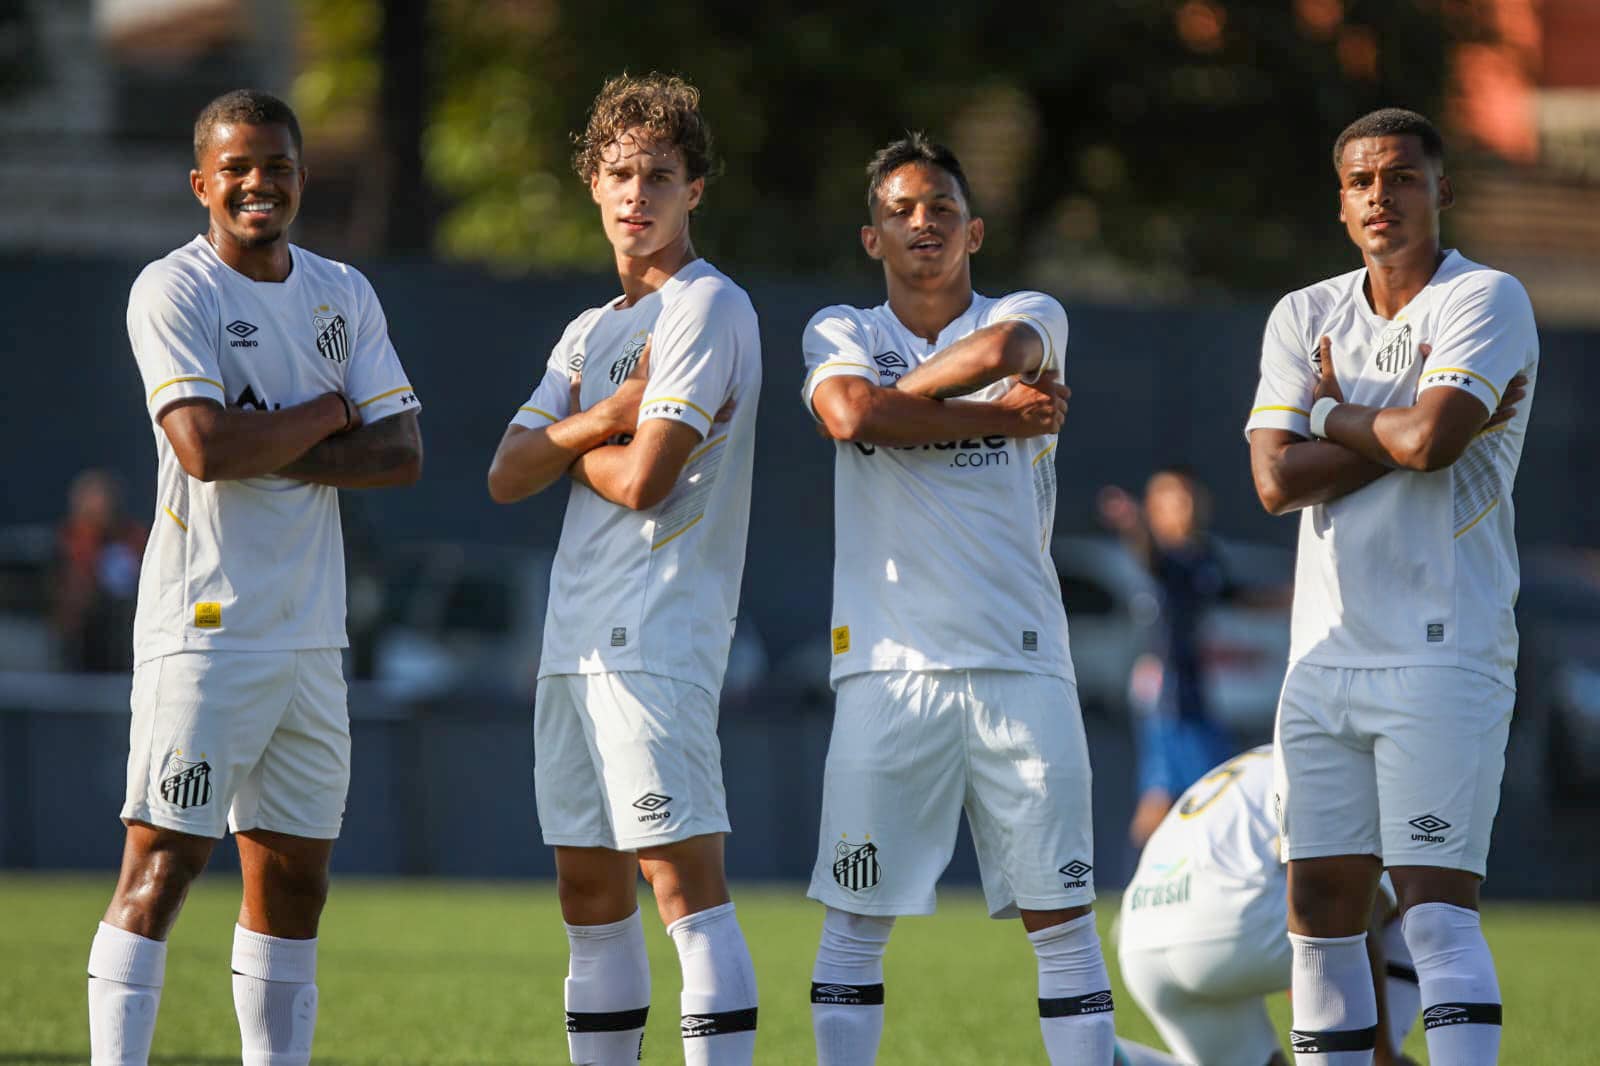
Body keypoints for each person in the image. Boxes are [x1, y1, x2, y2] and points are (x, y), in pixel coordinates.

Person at [90, 89, 423, 1066]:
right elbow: (200, 445)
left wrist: (272, 431)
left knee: (294, 883)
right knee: (163, 866)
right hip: (206, 631)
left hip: (311, 637)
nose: (256, 184)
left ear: (300, 177)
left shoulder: (342, 292)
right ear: (203, 182)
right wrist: (327, 411)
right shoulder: (174, 290)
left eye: (274, 165)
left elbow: (401, 451)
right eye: (235, 168)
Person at [802, 134, 1113, 1066]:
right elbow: (851, 415)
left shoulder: (1030, 312)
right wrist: (990, 414)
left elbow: (1004, 349)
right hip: (886, 672)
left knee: (1063, 927)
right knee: (854, 926)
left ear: (973, 229)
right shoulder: (837, 329)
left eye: (939, 207)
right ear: (872, 238)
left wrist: (902, 404)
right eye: (900, 210)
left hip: (1023, 661)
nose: (921, 223)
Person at [1244, 108, 1534, 1065]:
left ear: (1440, 191)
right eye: (1363, 182)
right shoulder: (1302, 313)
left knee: (1435, 913)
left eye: (1403, 178)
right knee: (1319, 910)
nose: (1382, 197)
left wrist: (1329, 408)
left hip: (1443, 653)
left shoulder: (1486, 297)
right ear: (1340, 203)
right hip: (1323, 657)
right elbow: (1277, 480)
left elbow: (1434, 440)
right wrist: (1391, 426)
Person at [487, 73, 761, 1066]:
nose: (634, 193)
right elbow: (505, 473)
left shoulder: (707, 306)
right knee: (587, 892)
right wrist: (605, 415)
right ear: (591, 187)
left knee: (680, 884)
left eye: (657, 174)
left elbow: (647, 482)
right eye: (617, 173)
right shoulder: (588, 331)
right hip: (573, 640)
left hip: (654, 633)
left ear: (695, 188)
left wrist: (572, 444)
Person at [1118, 747, 1421, 1066]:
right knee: (1413, 897)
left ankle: (1103, 1052)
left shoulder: (1284, 750)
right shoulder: (1350, 765)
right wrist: (1383, 1056)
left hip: (1140, 934)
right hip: (1233, 923)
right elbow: (1350, 922)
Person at [1098, 469, 1236, 848]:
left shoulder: (1204, 556)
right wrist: (1132, 525)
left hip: (1195, 686)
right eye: (1172, 500)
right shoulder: (1161, 558)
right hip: (1166, 691)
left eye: (1188, 498)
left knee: (1196, 787)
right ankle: (1137, 889)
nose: (1184, 508)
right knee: (1168, 792)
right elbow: (1146, 551)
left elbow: (1232, 594)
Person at [54, 468, 147, 672]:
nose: (102, 507)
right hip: (84, 638)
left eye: (106, 500)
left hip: (129, 632)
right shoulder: (71, 542)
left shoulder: (134, 538)